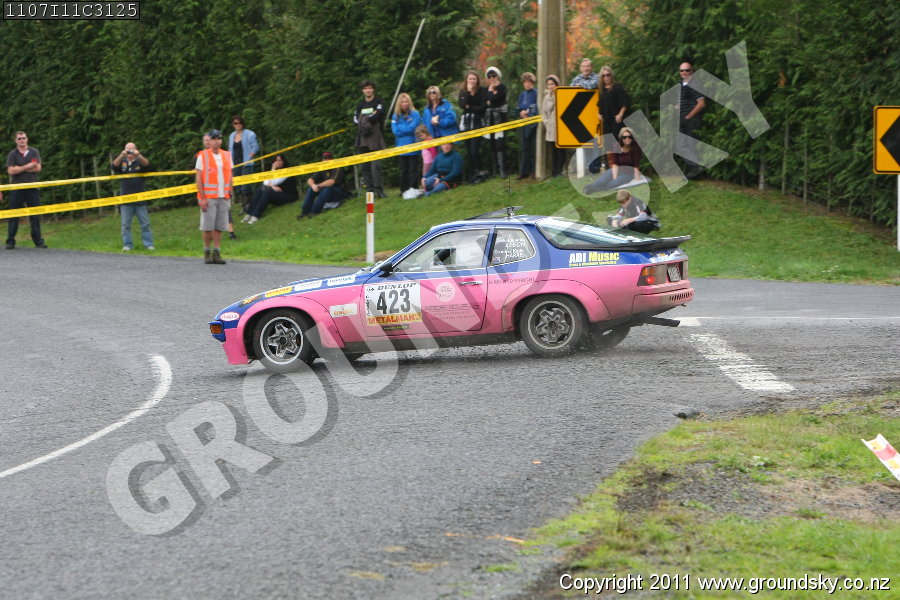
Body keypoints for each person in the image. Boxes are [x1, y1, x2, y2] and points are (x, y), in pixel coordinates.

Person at [195, 129, 232, 264]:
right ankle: (206, 251)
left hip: (223, 195)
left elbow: (230, 175)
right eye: (214, 139)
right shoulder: (203, 156)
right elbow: (199, 178)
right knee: (207, 226)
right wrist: (202, 197)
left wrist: (230, 192)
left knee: (219, 226)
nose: (217, 141)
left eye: (219, 139)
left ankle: (216, 251)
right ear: (209, 141)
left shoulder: (227, 155)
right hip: (209, 196)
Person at [5, 131, 46, 249]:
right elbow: (11, 171)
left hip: (32, 187)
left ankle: (38, 241)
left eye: (23, 138)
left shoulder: (34, 151)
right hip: (16, 188)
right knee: (13, 215)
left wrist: (19, 168)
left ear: (27, 139)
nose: (22, 140)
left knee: (35, 215)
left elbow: (38, 168)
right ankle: (10, 241)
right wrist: (28, 166)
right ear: (15, 141)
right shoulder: (12, 154)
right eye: (19, 138)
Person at [112, 142, 154, 251]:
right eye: (128, 150)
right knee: (125, 225)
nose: (130, 152)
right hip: (126, 199)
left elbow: (148, 165)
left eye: (132, 150)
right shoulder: (122, 162)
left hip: (140, 199)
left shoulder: (139, 161)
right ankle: (127, 245)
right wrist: (121, 155)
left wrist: (138, 155)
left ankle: (148, 244)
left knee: (145, 224)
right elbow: (114, 166)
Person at [583, 127, 642, 194]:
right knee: (601, 181)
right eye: (624, 137)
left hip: (627, 174)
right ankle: (591, 186)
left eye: (629, 136)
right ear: (621, 138)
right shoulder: (617, 146)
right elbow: (615, 163)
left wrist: (637, 180)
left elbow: (636, 165)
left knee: (613, 184)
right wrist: (615, 177)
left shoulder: (636, 148)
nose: (627, 138)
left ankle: (593, 189)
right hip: (616, 169)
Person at [242, 154, 297, 224]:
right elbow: (265, 183)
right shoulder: (274, 171)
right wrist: (272, 171)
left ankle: (256, 215)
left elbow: (275, 182)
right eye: (276, 161)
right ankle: (249, 214)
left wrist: (273, 172)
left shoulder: (286, 171)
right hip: (278, 193)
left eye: (280, 160)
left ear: (283, 161)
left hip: (289, 195)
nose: (277, 162)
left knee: (267, 192)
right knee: (260, 190)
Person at [354, 79, 386, 199]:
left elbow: (377, 115)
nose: (368, 90)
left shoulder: (379, 102)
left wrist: (364, 119)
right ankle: (370, 191)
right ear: (362, 90)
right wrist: (366, 119)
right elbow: (356, 119)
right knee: (365, 167)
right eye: (365, 88)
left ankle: (379, 190)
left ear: (373, 89)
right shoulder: (360, 105)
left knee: (375, 166)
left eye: (370, 88)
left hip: (376, 138)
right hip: (362, 139)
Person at [678, 61, 707, 179]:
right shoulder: (681, 84)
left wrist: (689, 116)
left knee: (689, 145)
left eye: (687, 70)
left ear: (692, 71)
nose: (684, 72)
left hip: (691, 119)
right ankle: (695, 169)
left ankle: (695, 169)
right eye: (682, 70)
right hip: (682, 119)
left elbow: (701, 103)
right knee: (681, 146)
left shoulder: (694, 84)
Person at [298, 151, 348, 218]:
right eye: (325, 158)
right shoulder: (322, 169)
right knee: (311, 188)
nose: (327, 160)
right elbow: (310, 180)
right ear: (322, 160)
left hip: (340, 193)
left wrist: (318, 186)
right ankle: (305, 212)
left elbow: (331, 182)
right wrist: (313, 185)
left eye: (329, 158)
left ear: (332, 159)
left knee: (327, 189)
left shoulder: (337, 168)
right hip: (327, 194)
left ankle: (315, 211)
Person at [390, 92, 423, 196]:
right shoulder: (395, 116)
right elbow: (395, 131)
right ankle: (403, 190)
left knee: (413, 169)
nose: (404, 103)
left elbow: (413, 128)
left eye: (406, 101)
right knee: (403, 169)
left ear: (409, 102)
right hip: (401, 146)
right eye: (402, 101)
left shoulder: (415, 114)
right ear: (399, 103)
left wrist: (401, 128)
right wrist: (406, 129)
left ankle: (414, 189)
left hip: (413, 145)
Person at [458, 71, 487, 180]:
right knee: (469, 151)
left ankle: (481, 171)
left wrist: (469, 107)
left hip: (477, 122)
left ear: (477, 80)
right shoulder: (463, 92)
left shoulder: (482, 91)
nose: (472, 81)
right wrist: (468, 92)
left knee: (475, 150)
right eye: (470, 79)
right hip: (466, 123)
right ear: (466, 80)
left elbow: (482, 107)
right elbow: (462, 105)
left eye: (474, 79)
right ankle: (472, 174)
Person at [228, 115, 259, 212]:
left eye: (240, 123)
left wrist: (252, 153)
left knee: (246, 186)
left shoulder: (250, 134)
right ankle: (243, 206)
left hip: (246, 163)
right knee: (238, 186)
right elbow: (230, 149)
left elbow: (255, 147)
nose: (238, 125)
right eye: (235, 123)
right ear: (233, 125)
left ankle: (249, 205)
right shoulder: (231, 136)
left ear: (243, 123)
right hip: (235, 164)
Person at [483, 66, 509, 178]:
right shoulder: (486, 89)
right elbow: (485, 102)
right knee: (492, 144)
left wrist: (491, 94)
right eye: (489, 76)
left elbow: (493, 100)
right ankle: (495, 170)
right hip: (490, 118)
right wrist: (490, 95)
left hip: (500, 118)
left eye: (493, 76)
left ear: (497, 76)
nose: (492, 78)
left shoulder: (502, 87)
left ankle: (503, 170)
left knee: (500, 143)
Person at [541, 75, 567, 177]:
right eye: (548, 84)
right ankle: (554, 172)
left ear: (556, 84)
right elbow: (543, 112)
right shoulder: (546, 97)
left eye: (552, 84)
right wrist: (546, 122)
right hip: (550, 127)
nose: (550, 86)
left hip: (561, 127)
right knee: (553, 150)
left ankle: (560, 170)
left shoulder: (561, 94)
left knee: (561, 150)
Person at [598, 65, 629, 143]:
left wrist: (620, 115)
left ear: (611, 75)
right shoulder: (601, 89)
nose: (606, 77)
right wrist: (599, 114)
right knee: (608, 144)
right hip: (606, 121)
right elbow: (599, 104)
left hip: (616, 120)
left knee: (617, 142)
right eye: (603, 75)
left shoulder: (617, 86)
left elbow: (624, 102)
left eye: (608, 75)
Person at [516, 72, 538, 179]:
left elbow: (537, 107)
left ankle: (534, 171)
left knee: (533, 148)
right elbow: (518, 107)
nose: (527, 84)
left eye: (529, 82)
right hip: (523, 123)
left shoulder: (536, 93)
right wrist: (521, 113)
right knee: (524, 148)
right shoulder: (522, 95)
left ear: (532, 82)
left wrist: (528, 112)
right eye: (525, 82)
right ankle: (524, 171)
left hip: (533, 124)